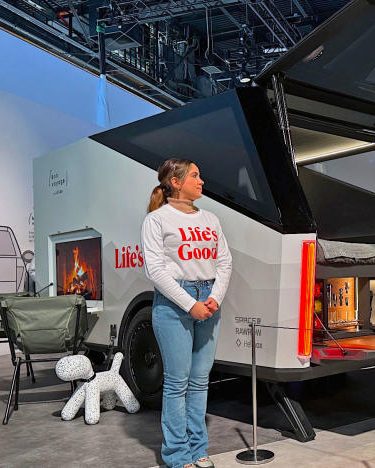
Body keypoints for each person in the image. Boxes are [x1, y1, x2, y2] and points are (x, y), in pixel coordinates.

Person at [141, 159, 233, 468]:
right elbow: (155, 271)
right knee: (177, 382)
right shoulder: (157, 220)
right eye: (195, 175)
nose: (201, 180)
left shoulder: (210, 218)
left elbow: (224, 262)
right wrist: (189, 303)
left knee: (199, 381)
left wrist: (214, 298)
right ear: (176, 182)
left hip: (208, 300)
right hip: (173, 304)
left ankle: (199, 449)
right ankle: (178, 456)